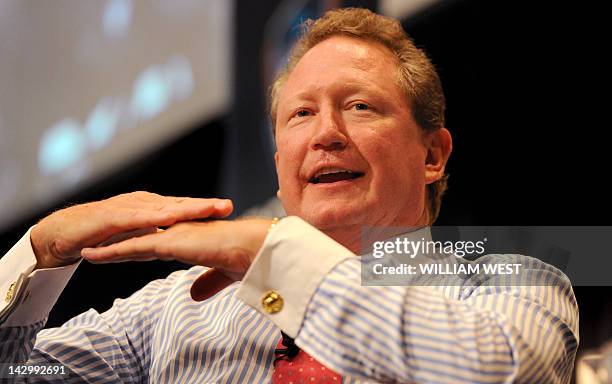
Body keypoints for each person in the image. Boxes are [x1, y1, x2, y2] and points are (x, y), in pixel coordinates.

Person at [0, 8, 578, 383]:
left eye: (360, 106)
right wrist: (37, 256)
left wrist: (283, 264)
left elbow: (496, 369)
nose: (325, 133)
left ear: (433, 156)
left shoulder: (511, 282)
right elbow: (23, 375)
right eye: (301, 114)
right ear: (279, 166)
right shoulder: (174, 309)